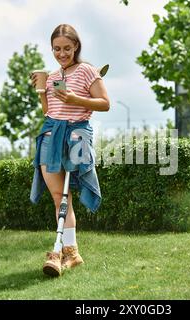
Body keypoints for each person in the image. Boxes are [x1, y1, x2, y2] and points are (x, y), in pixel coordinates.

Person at [30, 24, 110, 277]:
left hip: (76, 134)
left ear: (75, 46)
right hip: (51, 135)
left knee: (66, 194)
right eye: (56, 49)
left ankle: (68, 252)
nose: (62, 53)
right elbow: (49, 111)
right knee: (58, 196)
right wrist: (42, 89)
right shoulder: (53, 76)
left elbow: (104, 104)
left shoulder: (87, 71)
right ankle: (71, 252)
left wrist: (76, 99)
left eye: (66, 48)